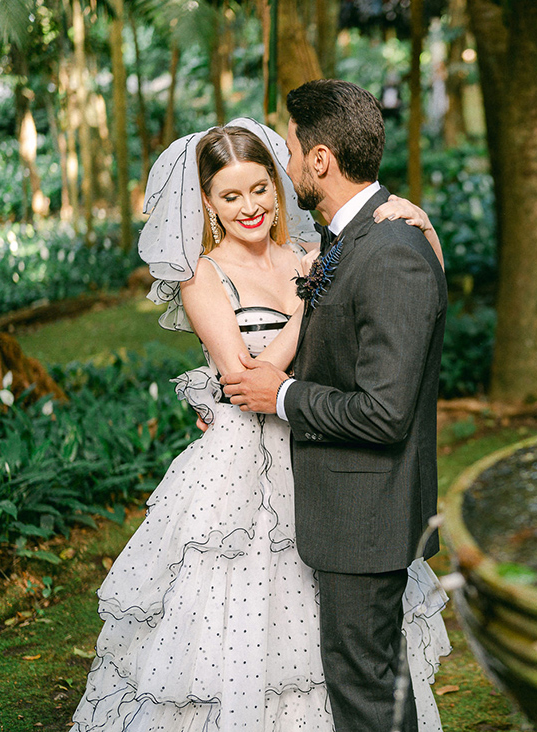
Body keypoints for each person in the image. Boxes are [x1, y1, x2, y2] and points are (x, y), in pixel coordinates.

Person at [71, 118, 449, 731]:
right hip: (245, 469)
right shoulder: (203, 274)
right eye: (230, 195)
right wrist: (311, 302)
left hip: (325, 450)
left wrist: (421, 229)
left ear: (279, 184)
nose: (250, 207)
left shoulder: (313, 252)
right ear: (206, 203)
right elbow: (244, 379)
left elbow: (389, 310)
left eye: (260, 188)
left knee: (353, 636)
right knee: (248, 626)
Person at [221, 81, 446, 732]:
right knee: (371, 685)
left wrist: (282, 395)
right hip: (353, 513)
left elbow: (384, 411)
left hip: (365, 515)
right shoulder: (355, 240)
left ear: (320, 159)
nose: (285, 166)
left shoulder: (390, 254)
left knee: (366, 693)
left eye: (291, 150)